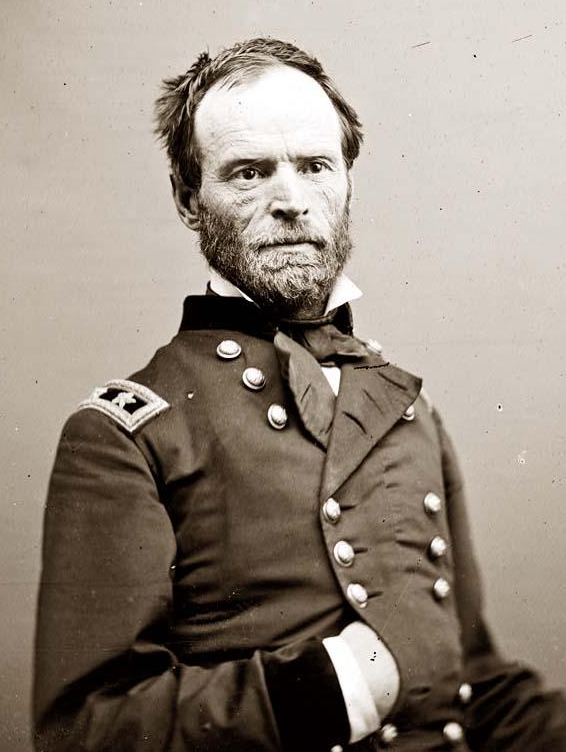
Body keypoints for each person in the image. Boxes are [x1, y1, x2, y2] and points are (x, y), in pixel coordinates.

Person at [33, 37, 565, 751]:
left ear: (348, 184)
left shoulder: (407, 410)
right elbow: (87, 728)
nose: (290, 201)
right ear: (189, 199)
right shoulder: (126, 436)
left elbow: (473, 686)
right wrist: (340, 684)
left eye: (315, 166)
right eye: (249, 173)